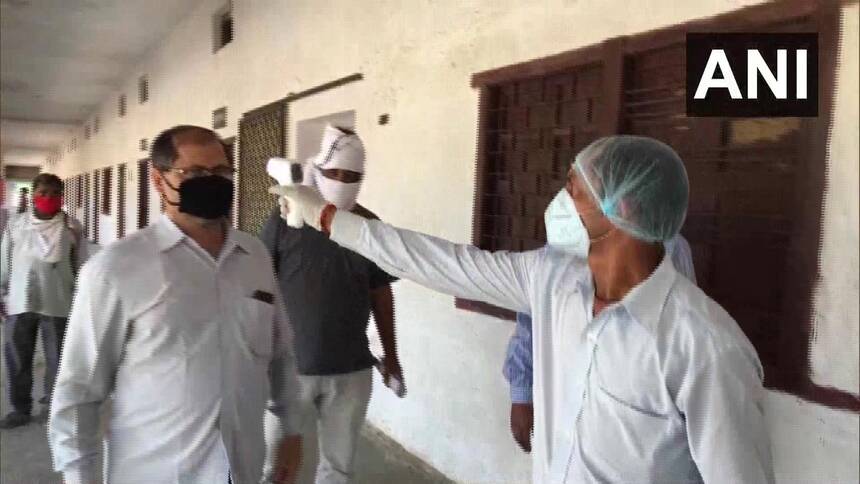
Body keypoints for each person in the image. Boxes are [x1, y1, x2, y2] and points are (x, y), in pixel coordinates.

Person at [271, 135, 774, 483]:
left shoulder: (705, 348)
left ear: (622, 210)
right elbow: (439, 262)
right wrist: (326, 216)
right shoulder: (551, 280)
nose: (560, 200)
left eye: (574, 189)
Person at [48, 126, 303, 484]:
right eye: (194, 172)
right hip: (157, 472)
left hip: (241, 466)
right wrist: (79, 477)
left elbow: (281, 357)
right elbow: (80, 390)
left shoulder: (255, 256)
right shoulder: (116, 268)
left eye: (221, 171)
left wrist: (292, 432)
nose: (211, 182)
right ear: (158, 180)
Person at [504, 186, 699, 452]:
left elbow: (684, 338)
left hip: (636, 411)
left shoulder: (672, 249)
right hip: (566, 395)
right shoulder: (568, 239)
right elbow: (534, 313)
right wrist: (521, 393)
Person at [261, 125, 402, 484]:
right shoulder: (287, 217)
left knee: (338, 470)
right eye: (334, 173)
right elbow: (260, 284)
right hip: (291, 368)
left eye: (351, 176)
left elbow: (381, 293)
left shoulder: (368, 226)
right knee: (277, 468)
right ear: (320, 170)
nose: (342, 182)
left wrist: (392, 355)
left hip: (350, 370)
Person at [0, 173, 83, 429]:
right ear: (33, 195)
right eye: (42, 193)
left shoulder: (71, 227)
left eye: (54, 193)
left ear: (62, 197)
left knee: (58, 359)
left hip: (58, 301)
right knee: (17, 358)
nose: (48, 198)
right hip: (19, 300)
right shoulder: (16, 224)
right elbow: (5, 260)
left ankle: (53, 407)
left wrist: (82, 298)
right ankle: (20, 409)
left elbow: (80, 264)